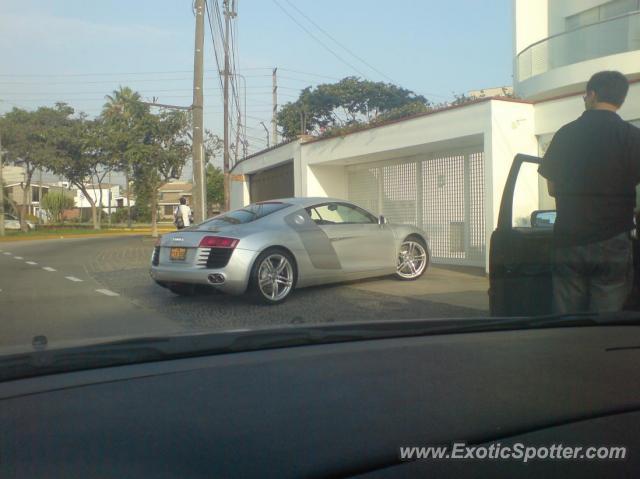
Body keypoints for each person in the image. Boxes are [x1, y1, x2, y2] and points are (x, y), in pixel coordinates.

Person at [539, 71, 640, 314]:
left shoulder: (565, 134)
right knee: (607, 319)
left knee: (566, 317)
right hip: (614, 239)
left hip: (569, 239)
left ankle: (569, 352)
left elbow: (552, 187)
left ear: (592, 95)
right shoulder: (632, 136)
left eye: (585, 94)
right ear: (621, 100)